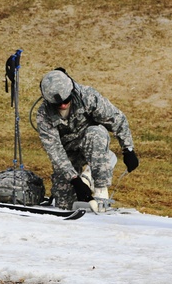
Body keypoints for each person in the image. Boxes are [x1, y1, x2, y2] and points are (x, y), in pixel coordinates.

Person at [35, 69, 138, 210]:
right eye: (58, 104)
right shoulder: (43, 115)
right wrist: (75, 180)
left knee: (95, 133)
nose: (63, 105)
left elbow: (116, 119)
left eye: (66, 100)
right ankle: (85, 178)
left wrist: (128, 149)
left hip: (92, 143)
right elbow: (55, 151)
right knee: (65, 204)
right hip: (68, 152)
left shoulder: (87, 96)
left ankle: (101, 188)